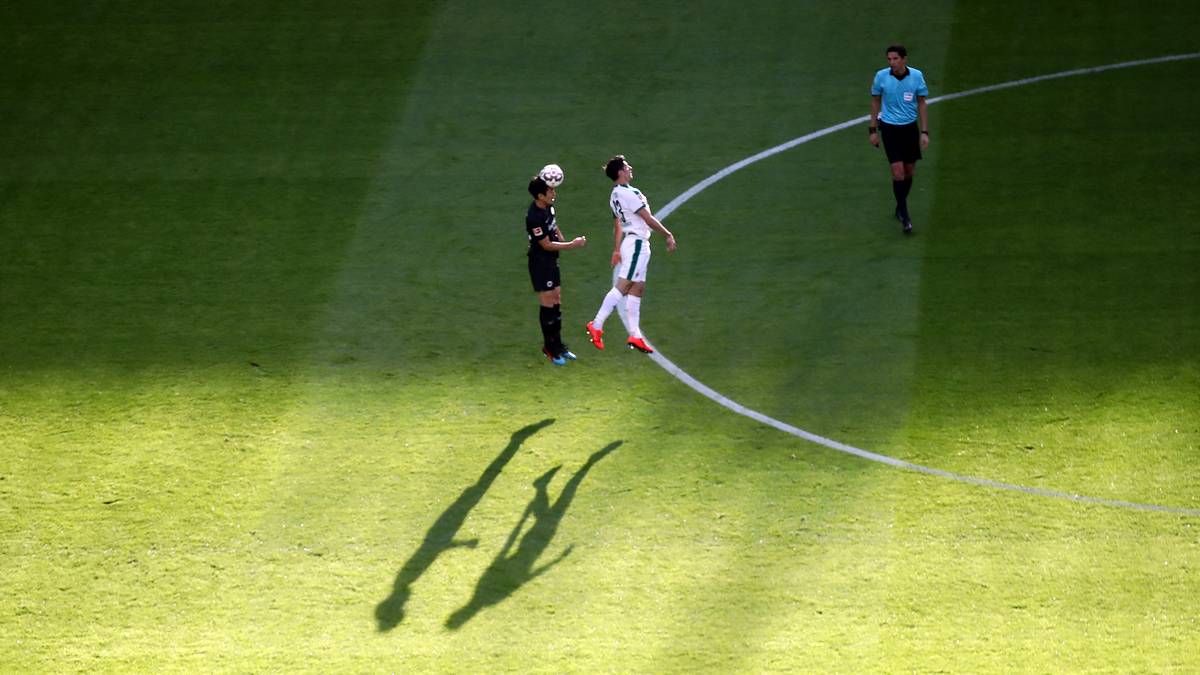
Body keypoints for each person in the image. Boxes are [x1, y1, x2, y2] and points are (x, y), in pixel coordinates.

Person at [585, 155, 676, 354]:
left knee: (638, 288)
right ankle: (597, 324)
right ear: (620, 172)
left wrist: (617, 249)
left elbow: (618, 224)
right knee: (624, 285)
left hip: (632, 242)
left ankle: (635, 335)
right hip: (636, 243)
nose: (630, 168)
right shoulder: (629, 193)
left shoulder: (614, 195)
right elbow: (647, 218)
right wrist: (667, 234)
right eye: (626, 167)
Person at [526, 173, 586, 365]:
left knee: (557, 299)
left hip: (551, 260)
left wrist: (561, 236)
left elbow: (554, 225)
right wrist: (571, 244)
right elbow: (546, 245)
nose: (553, 193)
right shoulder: (533, 217)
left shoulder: (548, 207)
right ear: (539, 196)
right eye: (550, 191)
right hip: (540, 262)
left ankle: (559, 345)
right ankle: (549, 348)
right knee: (547, 302)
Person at [869, 44, 929, 234]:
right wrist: (872, 130)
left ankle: (899, 205)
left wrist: (925, 132)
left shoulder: (917, 76)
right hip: (890, 129)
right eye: (889, 59)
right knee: (898, 173)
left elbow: (921, 103)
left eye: (895, 59)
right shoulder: (881, 77)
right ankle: (905, 215)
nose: (892, 63)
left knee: (909, 172)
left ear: (904, 59)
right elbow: (876, 101)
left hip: (909, 129)